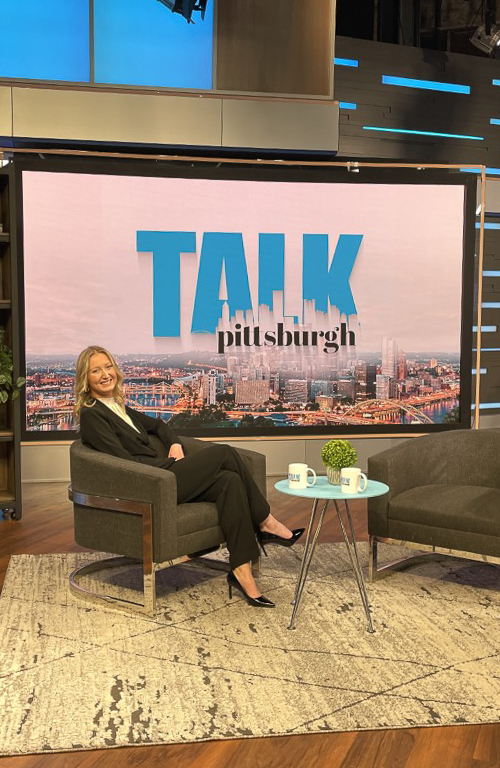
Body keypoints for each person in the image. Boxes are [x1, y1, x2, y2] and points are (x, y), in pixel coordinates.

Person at [74, 345, 304, 609]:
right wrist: (161, 471)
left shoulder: (116, 406)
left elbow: (159, 425)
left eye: (108, 366)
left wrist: (174, 445)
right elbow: (121, 462)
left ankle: (241, 572)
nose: (105, 374)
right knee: (224, 454)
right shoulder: (93, 414)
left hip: (166, 471)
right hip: (152, 483)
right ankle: (265, 522)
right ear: (85, 378)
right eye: (96, 370)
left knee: (229, 481)